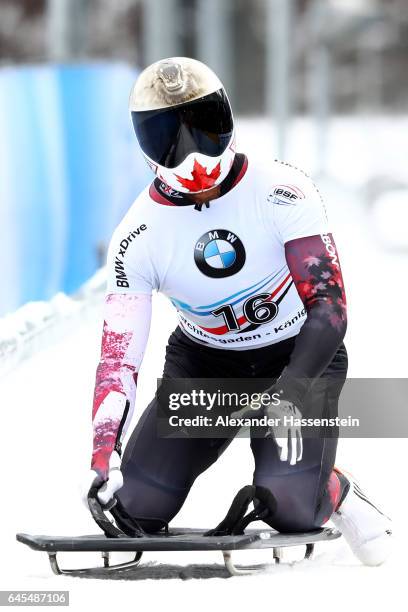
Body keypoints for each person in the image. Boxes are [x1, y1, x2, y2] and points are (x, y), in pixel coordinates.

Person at [83, 57, 391, 566]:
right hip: (205, 369)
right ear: (144, 147)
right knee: (133, 506)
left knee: (291, 509)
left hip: (295, 361)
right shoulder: (135, 238)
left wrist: (291, 391)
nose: (195, 158)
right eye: (171, 141)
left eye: (206, 130)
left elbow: (329, 308)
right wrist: (101, 453)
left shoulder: (282, 190)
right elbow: (119, 361)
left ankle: (333, 489)